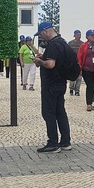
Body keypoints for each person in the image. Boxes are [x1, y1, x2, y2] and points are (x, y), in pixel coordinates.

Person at [32, 21, 71, 153]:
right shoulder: (62, 42)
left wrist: (39, 61)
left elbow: (50, 64)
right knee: (60, 112)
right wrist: (45, 56)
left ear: (46, 31)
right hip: (61, 83)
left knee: (48, 113)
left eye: (41, 35)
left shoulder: (53, 45)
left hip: (51, 84)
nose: (41, 37)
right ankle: (65, 141)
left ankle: (53, 143)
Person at [76, 29, 94, 111]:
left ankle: (90, 102)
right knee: (90, 85)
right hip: (86, 69)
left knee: (93, 86)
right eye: (93, 35)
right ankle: (88, 104)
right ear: (87, 37)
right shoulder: (84, 46)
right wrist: (79, 68)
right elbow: (79, 57)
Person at [67, 29, 83, 97]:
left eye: (80, 35)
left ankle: (77, 90)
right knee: (72, 76)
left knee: (79, 77)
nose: (79, 36)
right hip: (72, 62)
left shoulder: (82, 44)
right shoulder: (70, 43)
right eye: (78, 35)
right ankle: (71, 88)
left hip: (79, 62)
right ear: (74, 35)